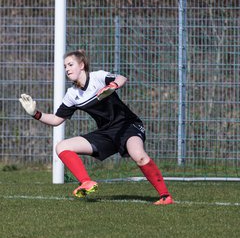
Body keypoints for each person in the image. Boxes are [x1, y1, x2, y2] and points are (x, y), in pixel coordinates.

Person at [19, 50, 174, 205]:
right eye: (65, 66)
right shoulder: (72, 94)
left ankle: (165, 196)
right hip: (106, 133)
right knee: (62, 147)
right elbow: (56, 119)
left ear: (82, 65)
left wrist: (112, 86)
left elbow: (122, 78)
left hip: (127, 125)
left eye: (70, 64)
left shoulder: (98, 77)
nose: (67, 69)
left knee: (139, 155)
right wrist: (35, 113)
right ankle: (86, 182)